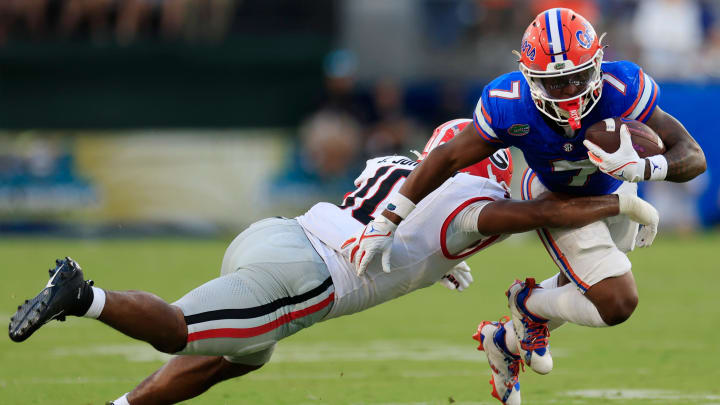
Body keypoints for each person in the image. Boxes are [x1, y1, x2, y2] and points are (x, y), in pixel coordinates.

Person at [8, 119, 659, 405]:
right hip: (310, 274)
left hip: (278, 234)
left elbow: (397, 207)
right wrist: (623, 197)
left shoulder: (406, 169)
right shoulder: (475, 200)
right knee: (183, 330)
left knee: (236, 355)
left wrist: (434, 260)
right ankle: (82, 294)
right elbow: (541, 213)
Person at [345, 8, 706, 405]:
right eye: (555, 83)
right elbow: (447, 157)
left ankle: (506, 339)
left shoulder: (623, 86)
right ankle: (526, 304)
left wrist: (645, 167)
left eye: (578, 77)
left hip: (613, 190)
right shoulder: (509, 104)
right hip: (556, 196)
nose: (570, 92)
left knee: (580, 288)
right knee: (616, 300)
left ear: (599, 63)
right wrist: (389, 218)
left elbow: (691, 155)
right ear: (530, 79)